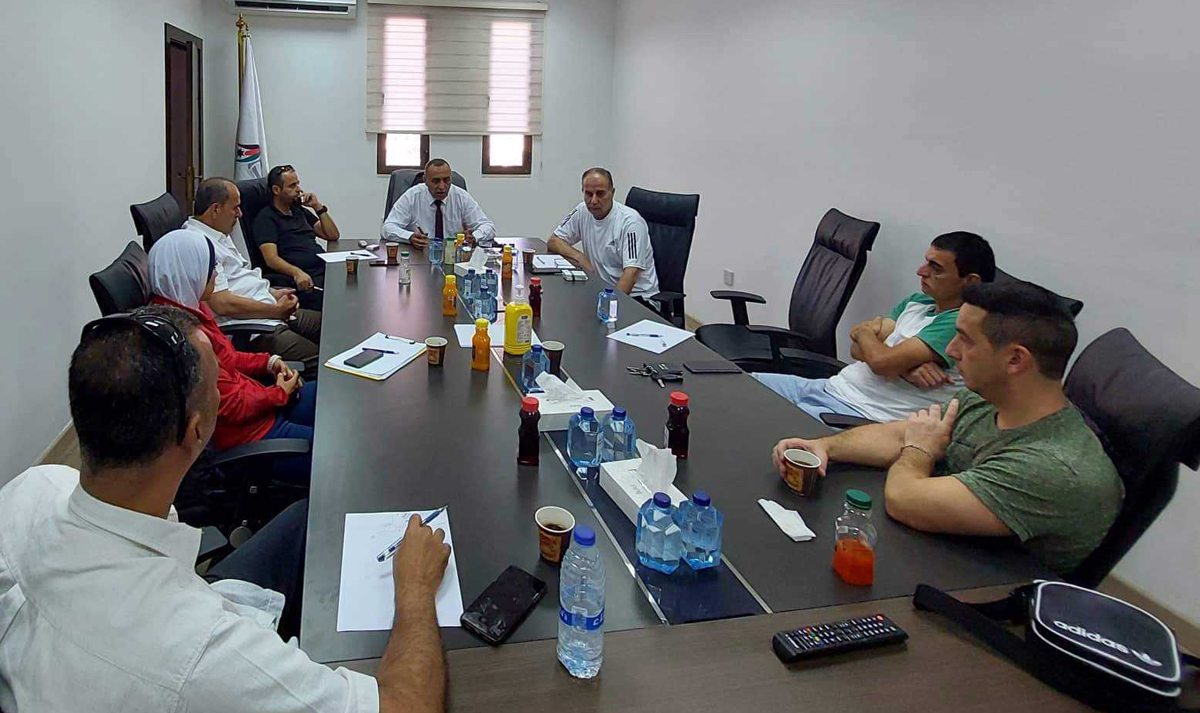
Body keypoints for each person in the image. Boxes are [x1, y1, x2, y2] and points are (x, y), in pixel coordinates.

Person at [0, 306, 451, 711]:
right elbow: (408, 706)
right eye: (215, 385)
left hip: (165, 602)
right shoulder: (203, 656)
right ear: (197, 431)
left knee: (304, 519)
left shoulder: (35, 485)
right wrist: (414, 588)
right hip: (184, 639)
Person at [772, 281, 1122, 575]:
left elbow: (905, 498)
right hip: (939, 553)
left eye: (965, 340)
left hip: (981, 601)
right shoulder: (988, 399)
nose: (951, 351)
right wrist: (826, 447)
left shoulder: (1052, 466)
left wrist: (919, 451)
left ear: (1015, 359)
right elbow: (902, 433)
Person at [755, 232, 996, 423]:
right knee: (740, 387)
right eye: (926, 262)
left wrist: (865, 334)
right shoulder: (917, 302)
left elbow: (879, 360)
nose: (921, 271)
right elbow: (857, 351)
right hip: (829, 388)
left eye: (936, 268)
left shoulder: (958, 324)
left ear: (970, 281)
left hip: (858, 414)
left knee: (756, 422)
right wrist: (904, 369)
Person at [148, 229, 316, 486]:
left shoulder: (193, 308)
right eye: (210, 269)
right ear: (190, 272)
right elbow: (228, 405)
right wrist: (278, 394)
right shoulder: (185, 339)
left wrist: (268, 361)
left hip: (260, 408)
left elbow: (228, 358)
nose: (216, 275)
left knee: (326, 398)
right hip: (252, 437)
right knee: (335, 450)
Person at [172, 176, 322, 380]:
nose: (240, 214)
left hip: (268, 307)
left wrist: (273, 292)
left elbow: (241, 277)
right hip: (254, 327)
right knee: (323, 360)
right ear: (215, 209)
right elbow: (222, 304)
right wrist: (275, 311)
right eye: (235, 208)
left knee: (330, 326)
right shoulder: (199, 244)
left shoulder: (219, 234)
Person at [548, 167, 659, 298]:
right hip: (602, 291)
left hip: (636, 299)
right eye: (589, 194)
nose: (593, 201)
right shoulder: (582, 211)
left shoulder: (631, 223)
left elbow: (631, 273)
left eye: (600, 194)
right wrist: (580, 257)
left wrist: (609, 303)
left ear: (612, 193)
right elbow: (554, 241)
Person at [253, 164, 341, 310]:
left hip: (323, 270)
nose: (299, 189)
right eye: (292, 186)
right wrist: (297, 272)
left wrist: (318, 207)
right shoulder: (266, 218)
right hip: (304, 278)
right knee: (342, 301)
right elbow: (271, 259)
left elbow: (332, 235)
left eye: (298, 184)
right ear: (276, 190)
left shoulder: (298, 211)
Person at [382, 158, 496, 249]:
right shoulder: (412, 196)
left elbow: (488, 227)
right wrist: (409, 237)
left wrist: (474, 237)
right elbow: (387, 228)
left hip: (453, 255)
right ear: (425, 180)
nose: (442, 186)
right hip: (419, 255)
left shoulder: (461, 197)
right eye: (436, 181)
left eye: (446, 180)